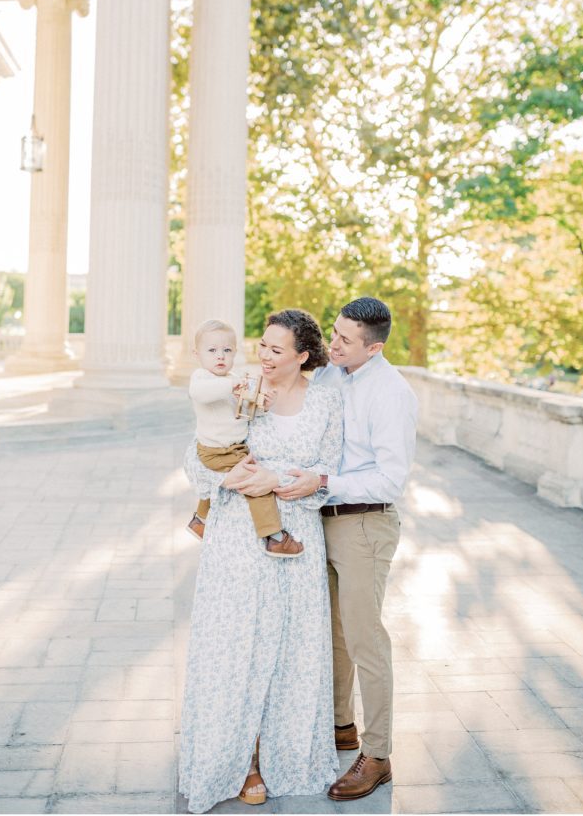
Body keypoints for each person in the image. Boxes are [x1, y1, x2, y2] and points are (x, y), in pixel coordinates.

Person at [179, 309, 342, 813]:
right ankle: (240, 761)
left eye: (276, 349)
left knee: (290, 652)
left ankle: (282, 754)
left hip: (296, 538)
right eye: (262, 345)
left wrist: (280, 479)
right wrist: (222, 480)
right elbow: (200, 447)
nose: (264, 356)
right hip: (235, 538)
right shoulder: (242, 389)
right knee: (235, 650)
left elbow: (329, 467)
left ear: (303, 355)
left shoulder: (325, 400)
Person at [276, 297, 418, 802]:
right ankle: (341, 728)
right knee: (331, 634)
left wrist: (323, 480)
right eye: (333, 334)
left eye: (343, 340)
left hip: (365, 525)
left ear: (374, 347)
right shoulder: (336, 373)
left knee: (365, 639)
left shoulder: (390, 392)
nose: (330, 345)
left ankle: (378, 756)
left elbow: (391, 477)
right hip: (322, 520)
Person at [186, 318, 303, 558]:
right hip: (216, 449)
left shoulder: (234, 377)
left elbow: (244, 410)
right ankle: (274, 537)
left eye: (226, 350)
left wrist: (262, 405)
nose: (220, 356)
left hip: (233, 447)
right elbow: (201, 394)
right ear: (197, 354)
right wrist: (231, 385)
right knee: (256, 485)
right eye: (212, 350)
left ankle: (200, 520)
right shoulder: (202, 378)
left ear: (235, 353)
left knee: (234, 479)